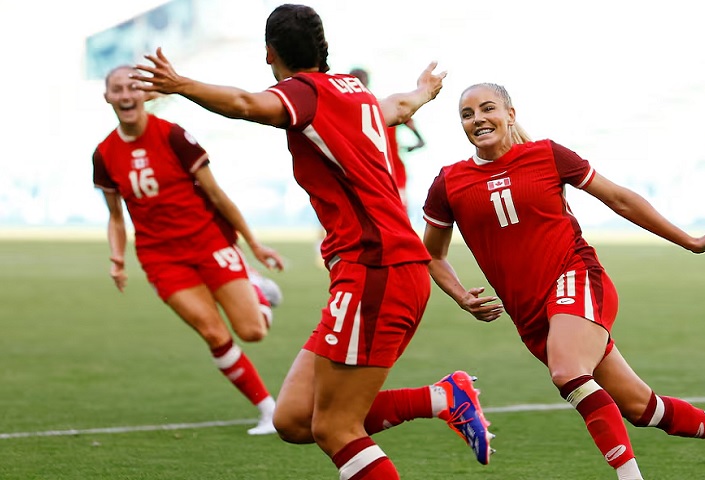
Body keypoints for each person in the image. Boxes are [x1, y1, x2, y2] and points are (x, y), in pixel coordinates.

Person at [131, 4, 492, 478]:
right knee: (295, 418)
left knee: (336, 430)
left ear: (269, 54)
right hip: (367, 273)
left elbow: (243, 104)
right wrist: (423, 92)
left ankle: (445, 398)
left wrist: (181, 85)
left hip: (376, 271)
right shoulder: (354, 91)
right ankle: (444, 397)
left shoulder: (303, 95)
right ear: (324, 49)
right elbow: (397, 107)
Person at [421, 82, 705, 480]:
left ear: (510, 114)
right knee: (642, 408)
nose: (478, 119)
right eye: (467, 115)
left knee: (567, 372)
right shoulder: (449, 183)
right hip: (530, 312)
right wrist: (459, 295)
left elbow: (618, 198)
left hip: (576, 278)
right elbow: (432, 254)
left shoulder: (548, 155)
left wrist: (689, 241)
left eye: (487, 109)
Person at [93, 65, 286, 436]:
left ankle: (256, 289)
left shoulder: (174, 136)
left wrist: (253, 243)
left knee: (253, 332)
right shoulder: (104, 155)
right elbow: (116, 217)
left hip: (209, 241)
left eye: (133, 87)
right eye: (117, 89)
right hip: (161, 259)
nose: (126, 95)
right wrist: (117, 258)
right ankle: (268, 410)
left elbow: (216, 194)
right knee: (214, 334)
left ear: (146, 93)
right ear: (107, 97)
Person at [349, 67, 426, 210]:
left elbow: (421, 141)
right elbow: (421, 142)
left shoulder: (380, 108)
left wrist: (403, 148)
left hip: (389, 172)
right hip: (371, 174)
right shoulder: (385, 107)